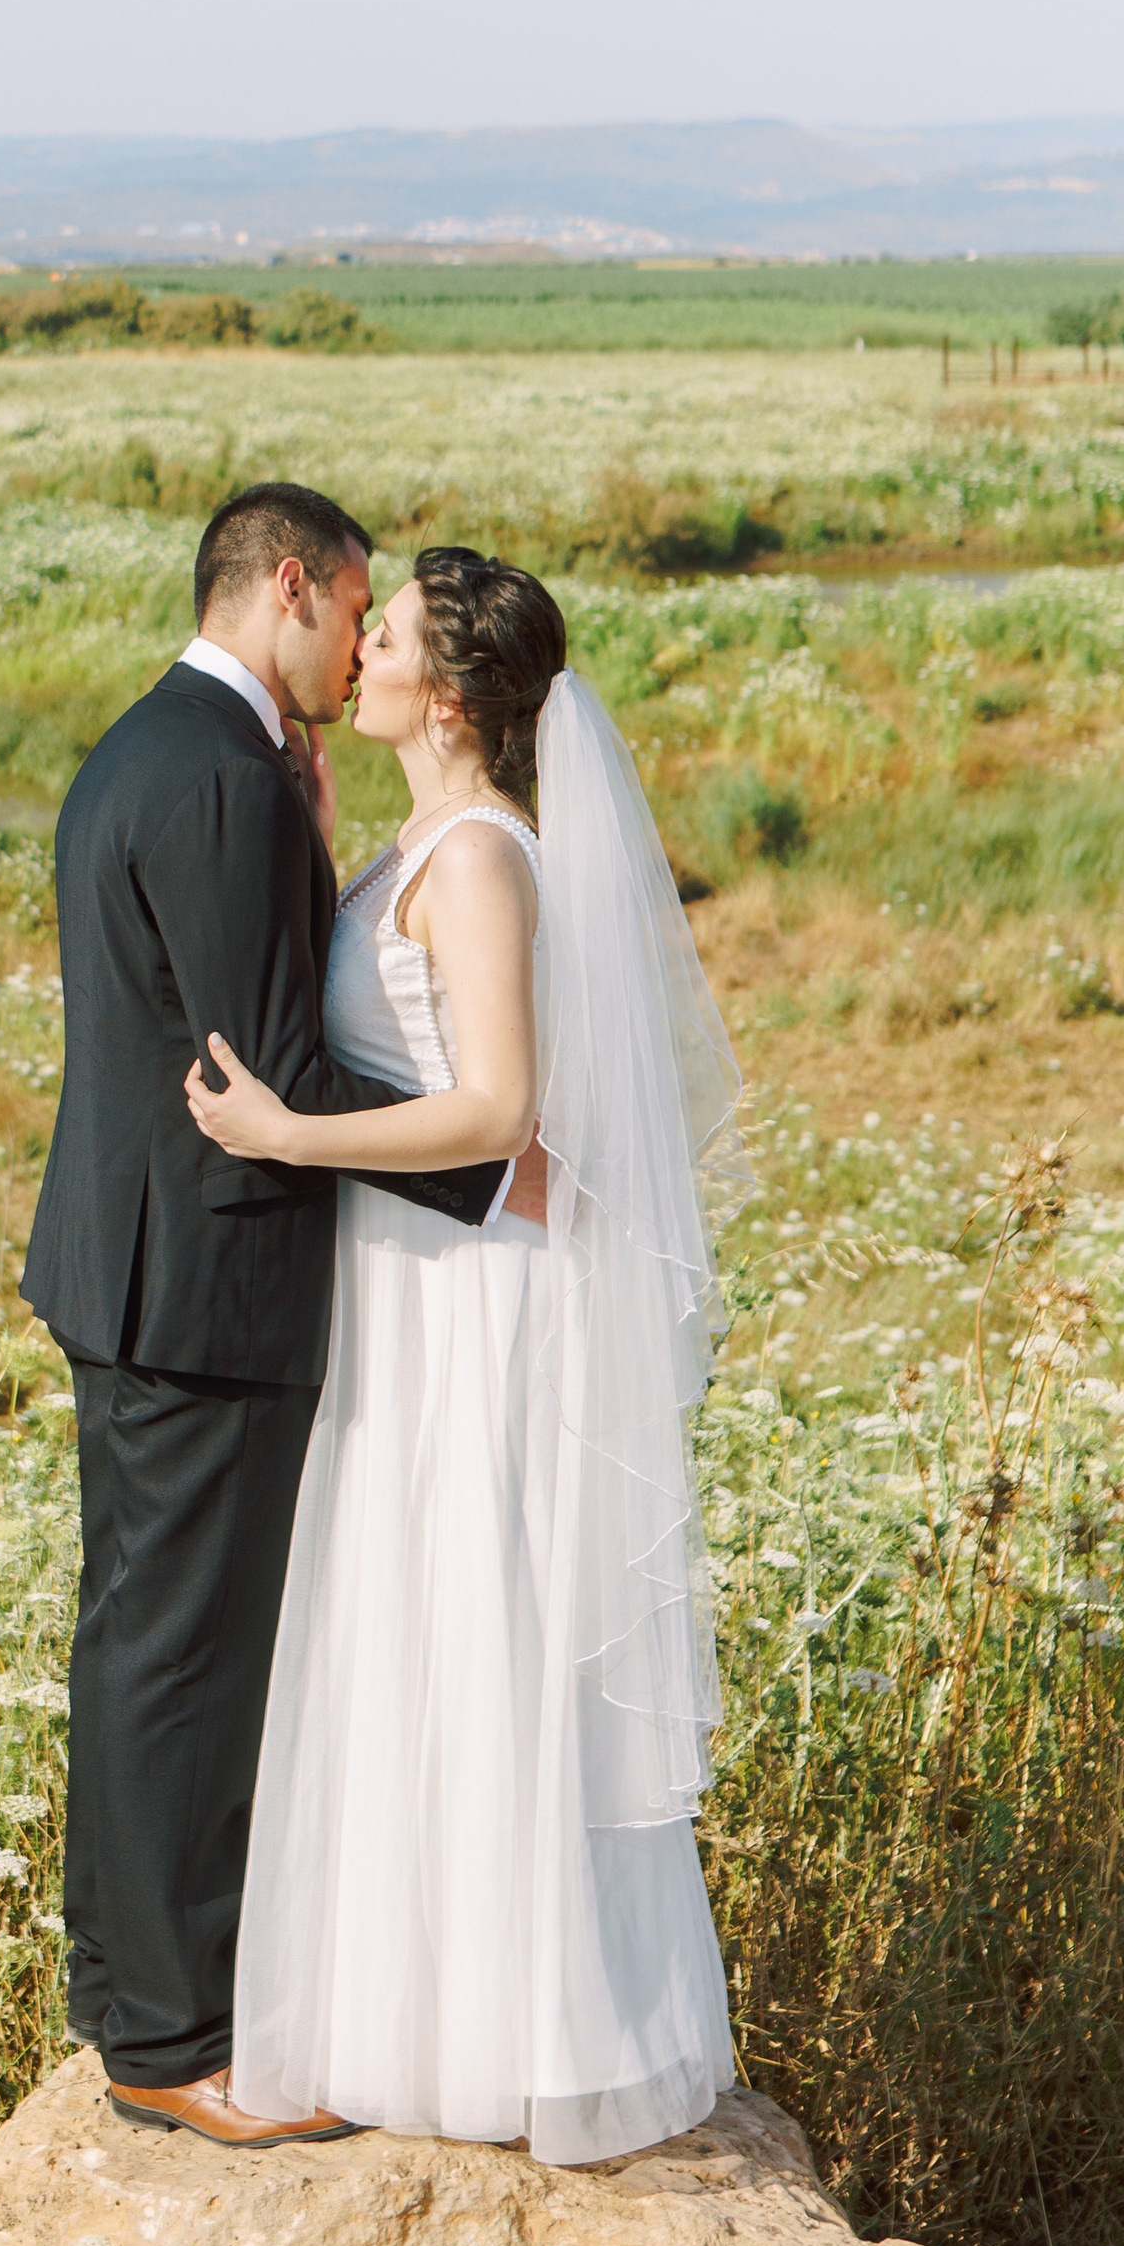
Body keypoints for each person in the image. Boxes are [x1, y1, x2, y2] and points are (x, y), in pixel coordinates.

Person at [186, 548, 750, 2161]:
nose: (355, 651)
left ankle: (519, 2032)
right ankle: (404, 2011)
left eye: (387, 640)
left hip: (476, 1297)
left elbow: (500, 1107)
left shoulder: (487, 858)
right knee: (409, 1628)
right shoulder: (417, 840)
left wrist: (292, 1136)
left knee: (477, 1624)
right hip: (408, 1281)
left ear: (445, 700)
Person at [19, 485, 515, 2148]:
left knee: (137, 1646)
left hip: (139, 1269)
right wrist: (496, 1165)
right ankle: (173, 2043)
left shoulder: (153, 744)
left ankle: (127, 1996)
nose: (359, 649)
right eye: (355, 611)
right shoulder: (227, 779)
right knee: (187, 1662)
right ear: (288, 586)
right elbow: (270, 1078)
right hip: (206, 1287)